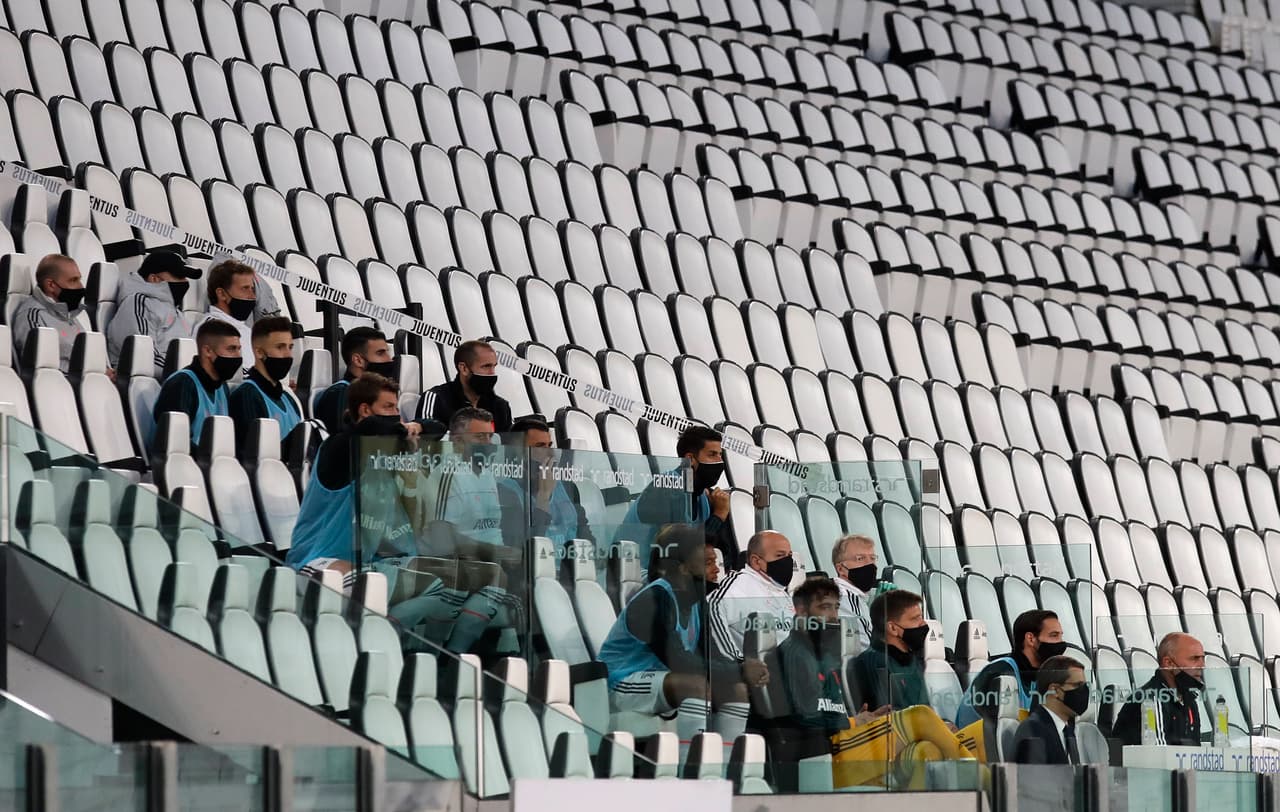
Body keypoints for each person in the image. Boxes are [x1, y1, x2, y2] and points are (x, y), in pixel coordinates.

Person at [598, 524, 752, 767]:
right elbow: (680, 661)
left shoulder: (697, 602)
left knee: (737, 690)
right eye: (707, 562)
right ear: (682, 567)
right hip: (620, 684)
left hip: (661, 681)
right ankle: (689, 771)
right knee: (696, 684)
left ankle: (724, 771)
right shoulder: (654, 599)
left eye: (716, 561)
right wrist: (741, 671)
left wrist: (742, 672)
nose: (716, 570)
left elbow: (711, 655)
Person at [620, 425, 737, 570]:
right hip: (638, 578)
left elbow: (720, 553)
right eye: (712, 454)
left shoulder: (705, 497)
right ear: (690, 459)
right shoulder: (666, 489)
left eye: (721, 455)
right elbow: (684, 552)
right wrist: (718, 516)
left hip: (676, 578)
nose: (720, 462)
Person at [955, 610, 1067, 728]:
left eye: (1061, 635)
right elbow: (999, 731)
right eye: (1054, 636)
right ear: (1030, 639)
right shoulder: (1002, 672)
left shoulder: (1037, 675)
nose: (1061, 643)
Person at [501, 415, 595, 551]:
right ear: (519, 452)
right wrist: (543, 498)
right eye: (540, 446)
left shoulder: (568, 488)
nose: (550, 452)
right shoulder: (507, 492)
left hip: (571, 567)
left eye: (550, 445)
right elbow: (525, 550)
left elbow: (588, 541)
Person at [149, 319, 241, 454]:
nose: (238, 356)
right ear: (208, 351)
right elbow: (176, 443)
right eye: (231, 349)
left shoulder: (222, 387)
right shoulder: (182, 384)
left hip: (213, 467)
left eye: (239, 349)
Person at [707, 530, 797, 663]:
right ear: (756, 561)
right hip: (761, 674)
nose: (787, 561)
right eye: (780, 555)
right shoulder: (737, 588)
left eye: (789, 555)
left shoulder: (780, 590)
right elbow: (713, 608)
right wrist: (741, 665)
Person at [107, 249, 199, 376]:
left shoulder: (176, 312)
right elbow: (144, 356)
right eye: (178, 277)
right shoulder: (138, 303)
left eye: (184, 277)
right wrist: (187, 374)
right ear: (154, 278)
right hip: (143, 385)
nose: (184, 282)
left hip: (177, 379)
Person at [227, 316, 303, 459]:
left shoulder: (288, 398)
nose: (288, 354)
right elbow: (253, 454)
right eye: (280, 347)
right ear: (259, 352)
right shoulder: (246, 395)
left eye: (290, 347)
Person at [1113, 632, 1205, 747]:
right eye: (1194, 659)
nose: (1202, 665)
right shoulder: (1151, 699)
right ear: (1169, 663)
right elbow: (1159, 756)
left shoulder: (1189, 700)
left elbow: (1195, 751)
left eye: (1203, 659)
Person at [851, 589, 931, 711]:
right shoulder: (873, 663)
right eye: (916, 619)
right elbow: (891, 715)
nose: (923, 624)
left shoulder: (913, 659)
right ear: (893, 628)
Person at [12, 254, 91, 372]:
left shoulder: (69, 313)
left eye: (79, 279)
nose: (80, 286)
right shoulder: (32, 317)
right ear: (51, 285)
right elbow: (41, 367)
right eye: (73, 280)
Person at [313, 327, 399, 434]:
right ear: (358, 360)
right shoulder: (340, 393)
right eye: (380, 353)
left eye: (387, 352)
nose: (389, 359)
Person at [417, 340, 512, 432]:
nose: (492, 373)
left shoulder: (501, 406)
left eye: (494, 366)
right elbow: (426, 440)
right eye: (486, 366)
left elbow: (511, 445)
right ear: (464, 368)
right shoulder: (436, 398)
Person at [1010, 655, 1090, 764]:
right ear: (1055, 690)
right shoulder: (1033, 729)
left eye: (1085, 685)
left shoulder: (1069, 729)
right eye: (1077, 685)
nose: (1084, 691)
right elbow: (1032, 779)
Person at [199, 259, 257, 373]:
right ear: (221, 294)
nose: (252, 296)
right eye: (245, 288)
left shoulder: (248, 332)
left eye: (252, 289)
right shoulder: (210, 329)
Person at [831, 534, 880, 655]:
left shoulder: (859, 597)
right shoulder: (845, 597)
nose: (870, 564)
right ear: (841, 569)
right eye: (860, 558)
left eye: (872, 558)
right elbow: (869, 649)